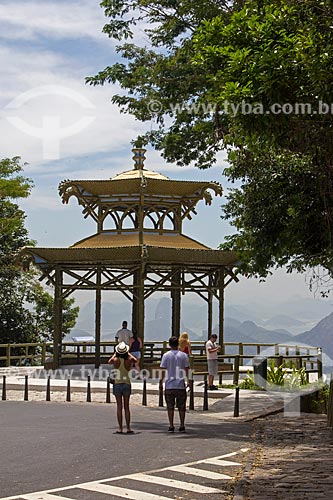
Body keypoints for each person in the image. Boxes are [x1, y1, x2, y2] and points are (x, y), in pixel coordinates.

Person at [159, 336, 189, 432]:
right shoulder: (184, 355)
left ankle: (171, 425)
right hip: (180, 384)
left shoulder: (166, 355)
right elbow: (187, 369)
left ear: (169, 344)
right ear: (178, 344)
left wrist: (160, 382)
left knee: (170, 406)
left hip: (169, 385)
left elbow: (163, 370)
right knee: (181, 406)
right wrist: (189, 381)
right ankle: (182, 424)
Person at [108, 342, 137, 434]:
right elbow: (135, 360)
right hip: (126, 383)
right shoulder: (128, 360)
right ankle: (128, 427)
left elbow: (109, 361)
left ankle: (120, 428)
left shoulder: (115, 360)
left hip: (117, 383)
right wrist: (128, 353)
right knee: (127, 407)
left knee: (119, 407)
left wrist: (115, 353)